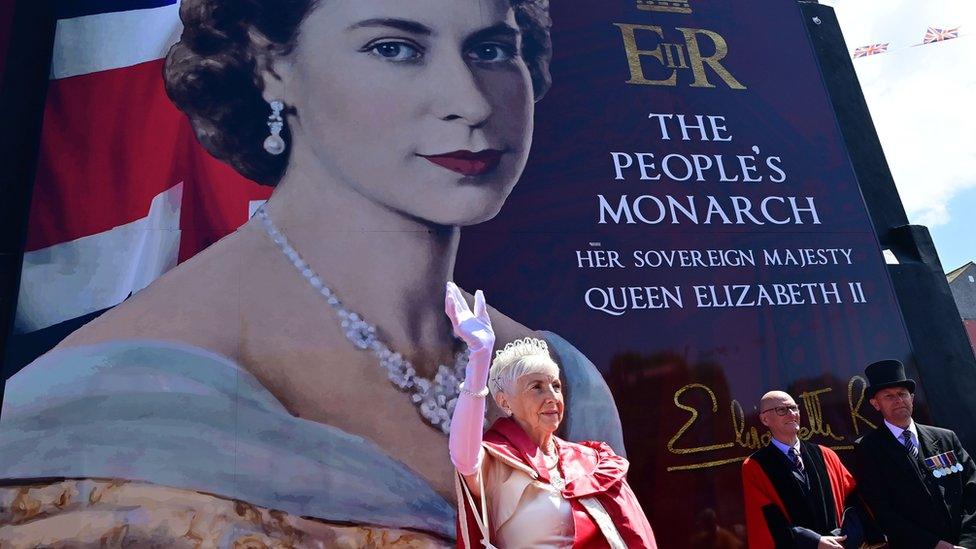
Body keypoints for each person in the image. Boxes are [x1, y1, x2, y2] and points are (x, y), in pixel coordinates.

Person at [0, 0, 623, 545]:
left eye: (490, 49)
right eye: (395, 47)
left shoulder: (565, 382)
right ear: (272, 66)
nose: (470, 101)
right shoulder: (107, 405)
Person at [444, 282, 657, 548]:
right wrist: (479, 356)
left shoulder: (592, 460)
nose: (552, 397)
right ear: (504, 401)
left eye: (556, 386)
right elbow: (463, 457)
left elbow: (633, 534)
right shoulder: (495, 461)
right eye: (536, 387)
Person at [853, 359, 976, 549]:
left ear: (911, 397)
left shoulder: (946, 438)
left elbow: (972, 490)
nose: (898, 400)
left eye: (903, 394)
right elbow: (883, 511)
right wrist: (935, 545)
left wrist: (968, 541)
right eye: (889, 396)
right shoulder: (868, 449)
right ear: (875, 404)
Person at [741, 391, 855, 549]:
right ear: (764, 419)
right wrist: (813, 541)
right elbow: (765, 521)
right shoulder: (756, 466)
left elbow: (853, 501)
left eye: (794, 408)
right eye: (782, 410)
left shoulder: (826, 455)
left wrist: (847, 534)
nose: (791, 414)